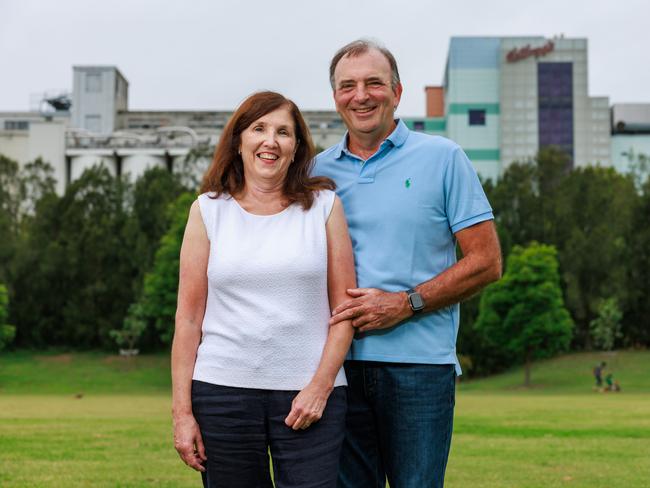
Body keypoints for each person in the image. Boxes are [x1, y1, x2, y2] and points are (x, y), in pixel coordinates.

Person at [313, 40, 502, 488]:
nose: (361, 95)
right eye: (348, 86)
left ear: (397, 92)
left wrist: (406, 303)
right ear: (336, 97)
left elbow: (487, 261)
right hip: (336, 369)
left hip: (419, 369)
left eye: (373, 83)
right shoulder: (315, 173)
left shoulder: (443, 158)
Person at [171, 91, 356, 488]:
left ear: (296, 149)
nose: (271, 141)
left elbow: (344, 311)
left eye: (283, 132)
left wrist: (320, 387)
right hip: (222, 396)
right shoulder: (207, 210)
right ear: (239, 142)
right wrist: (182, 414)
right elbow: (188, 319)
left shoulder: (325, 207)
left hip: (310, 398)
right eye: (259, 129)